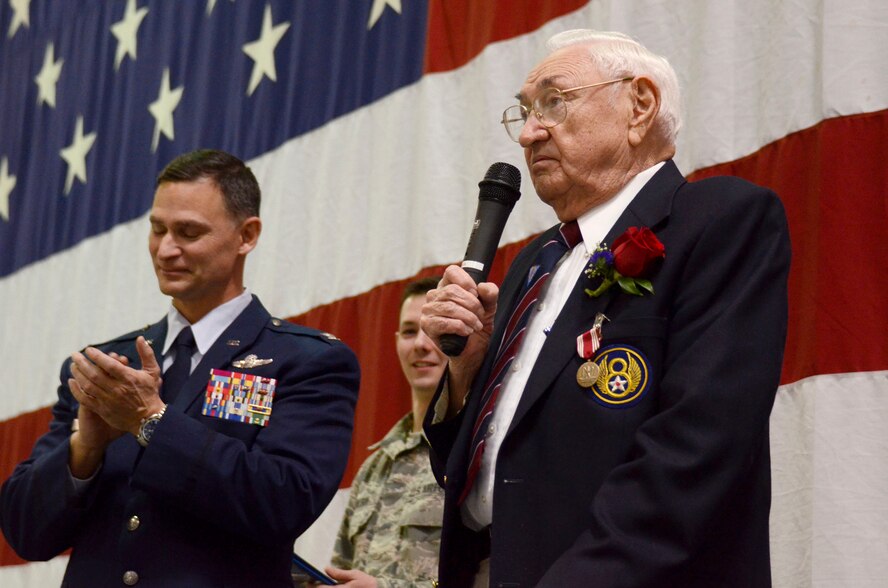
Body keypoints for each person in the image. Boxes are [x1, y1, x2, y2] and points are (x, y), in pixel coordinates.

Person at [421, 30, 790, 587]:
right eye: (522, 112)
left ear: (639, 107)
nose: (527, 133)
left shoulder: (719, 221)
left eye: (553, 102)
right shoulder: (533, 262)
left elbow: (697, 448)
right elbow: (473, 471)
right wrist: (466, 376)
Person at [0, 149, 360, 587]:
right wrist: (85, 450)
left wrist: (151, 420)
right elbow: (25, 534)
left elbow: (283, 502)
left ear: (246, 235)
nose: (167, 249)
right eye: (157, 229)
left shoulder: (306, 361)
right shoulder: (108, 366)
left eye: (188, 232)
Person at [325, 277, 447, 587]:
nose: (420, 344)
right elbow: (342, 570)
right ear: (396, 342)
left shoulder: (474, 456)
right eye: (409, 332)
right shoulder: (375, 468)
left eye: (434, 331)